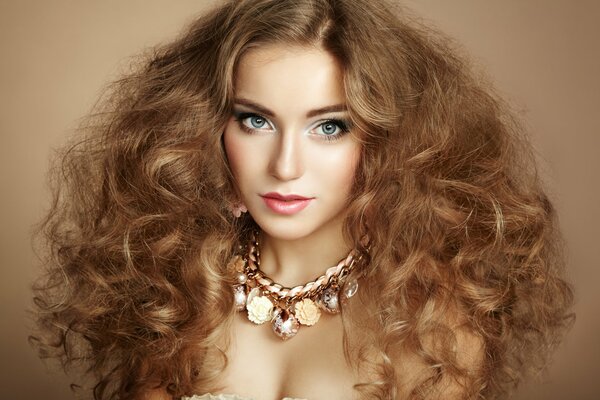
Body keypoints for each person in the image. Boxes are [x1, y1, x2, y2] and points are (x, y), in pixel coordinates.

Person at [31, 0, 574, 399]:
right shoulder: (173, 298)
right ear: (206, 129)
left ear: (388, 140)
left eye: (330, 128)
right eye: (256, 120)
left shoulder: (430, 328)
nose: (285, 166)